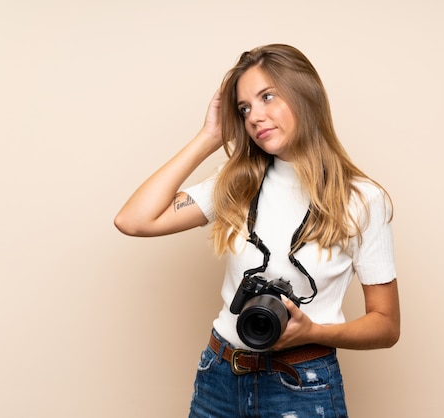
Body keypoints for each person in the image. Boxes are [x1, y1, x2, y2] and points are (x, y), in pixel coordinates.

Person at [114, 44, 400, 418]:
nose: (254, 117)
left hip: (302, 383)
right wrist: (209, 136)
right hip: (219, 375)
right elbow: (133, 220)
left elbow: (386, 325)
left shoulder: (362, 199)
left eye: (267, 97)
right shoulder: (235, 183)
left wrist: (313, 331)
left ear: (305, 95)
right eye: (244, 108)